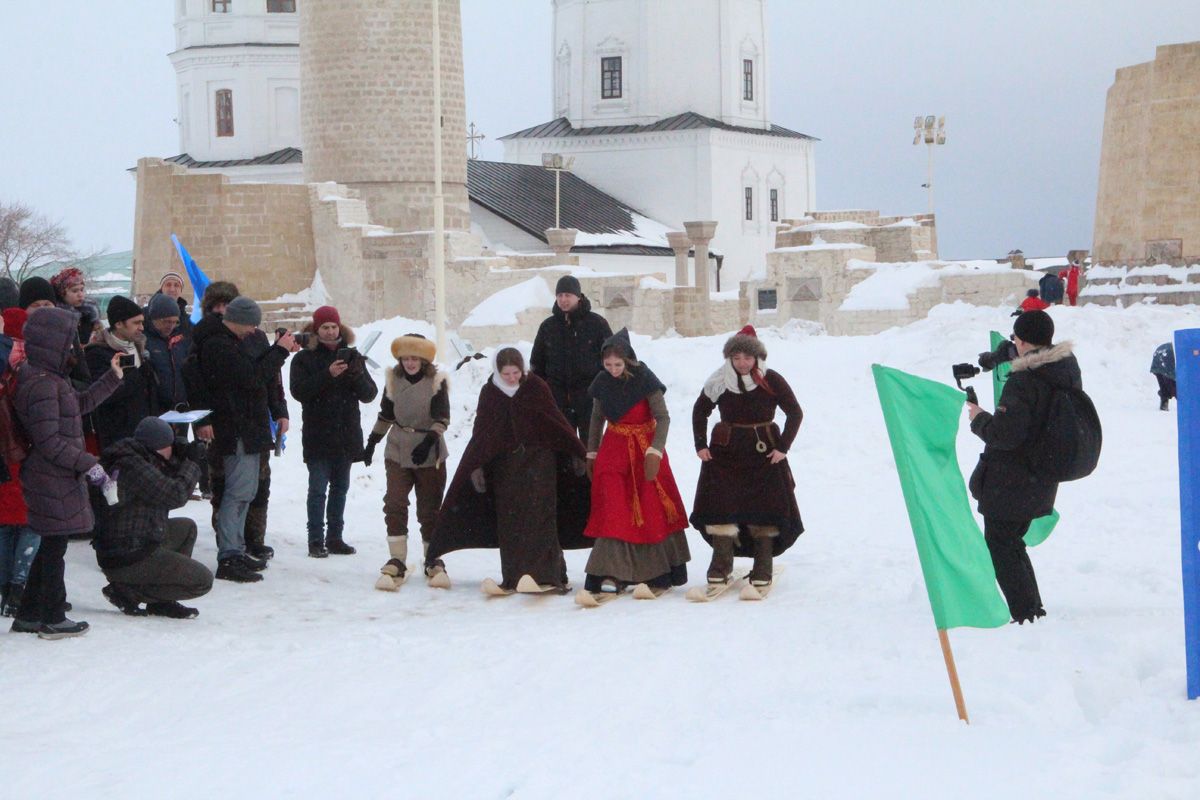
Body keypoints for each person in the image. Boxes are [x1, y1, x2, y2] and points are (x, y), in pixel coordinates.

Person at [425, 348, 590, 593]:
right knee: (510, 519)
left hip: (540, 462)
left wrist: (576, 451)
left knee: (541, 518)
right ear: (497, 371)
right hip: (506, 466)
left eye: (515, 372)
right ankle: (515, 576)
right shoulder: (491, 393)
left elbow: (555, 421)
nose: (512, 378)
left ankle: (549, 575)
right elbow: (482, 431)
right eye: (506, 373)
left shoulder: (536, 387)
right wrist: (477, 466)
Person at [10, 307, 122, 638]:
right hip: (49, 476)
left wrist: (111, 378)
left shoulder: (49, 378)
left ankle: (31, 614)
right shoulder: (42, 383)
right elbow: (48, 441)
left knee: (50, 546)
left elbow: (79, 405)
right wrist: (89, 464)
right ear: (54, 343)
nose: (74, 347)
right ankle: (52, 616)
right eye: (69, 340)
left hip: (55, 476)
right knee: (53, 549)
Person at [965, 309, 1081, 624]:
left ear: (1022, 341)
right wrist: (995, 356)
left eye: (1016, 338)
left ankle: (1025, 613)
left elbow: (1005, 435)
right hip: (1040, 476)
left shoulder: (1024, 381)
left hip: (1011, 480)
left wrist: (978, 418)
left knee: (1001, 545)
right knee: (1011, 542)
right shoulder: (1063, 368)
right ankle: (1031, 609)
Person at [690, 325, 804, 589]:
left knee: (765, 511)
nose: (742, 363)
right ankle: (720, 568)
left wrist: (783, 447)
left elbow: (795, 413)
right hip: (725, 455)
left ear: (757, 358)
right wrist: (700, 444)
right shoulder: (719, 380)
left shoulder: (771, 379)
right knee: (722, 509)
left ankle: (762, 569)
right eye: (736, 357)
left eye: (747, 357)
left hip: (764, 455)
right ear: (729, 358)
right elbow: (700, 411)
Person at [193, 296, 296, 583]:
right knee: (236, 494)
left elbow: (254, 373)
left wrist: (274, 351)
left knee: (245, 493)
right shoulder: (218, 345)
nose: (253, 331)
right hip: (236, 429)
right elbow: (251, 378)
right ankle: (229, 556)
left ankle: (236, 551)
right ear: (237, 320)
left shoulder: (231, 343)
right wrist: (280, 352)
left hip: (247, 429)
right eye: (251, 325)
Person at [579, 328, 689, 598]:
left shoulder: (645, 379)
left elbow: (662, 418)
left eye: (618, 364)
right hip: (614, 449)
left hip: (644, 450)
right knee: (614, 508)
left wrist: (655, 451)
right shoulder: (602, 382)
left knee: (648, 509)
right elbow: (596, 420)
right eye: (608, 365)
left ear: (628, 360)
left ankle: (653, 572)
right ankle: (610, 572)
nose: (613, 370)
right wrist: (591, 452)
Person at [92, 417, 213, 619]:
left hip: (132, 541)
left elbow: (162, 474)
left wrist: (181, 457)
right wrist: (191, 463)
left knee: (186, 528)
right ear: (159, 447)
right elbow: (175, 494)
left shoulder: (138, 456)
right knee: (202, 581)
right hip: (126, 555)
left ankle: (160, 601)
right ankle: (128, 592)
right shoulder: (131, 465)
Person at [289, 305, 378, 558]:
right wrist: (327, 375)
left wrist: (355, 375)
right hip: (318, 435)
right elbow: (299, 392)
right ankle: (315, 539)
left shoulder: (353, 356)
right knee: (317, 489)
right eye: (325, 327)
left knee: (340, 488)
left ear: (340, 328)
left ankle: (335, 537)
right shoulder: (304, 358)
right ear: (316, 329)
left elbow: (369, 394)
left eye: (333, 327)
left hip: (346, 434)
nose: (329, 332)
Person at [363, 333, 449, 587]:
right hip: (398, 448)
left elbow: (442, 418)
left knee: (429, 508)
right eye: (406, 358)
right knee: (395, 502)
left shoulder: (436, 381)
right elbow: (386, 414)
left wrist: (429, 441)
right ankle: (397, 559)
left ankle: (433, 558)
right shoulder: (393, 380)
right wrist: (372, 442)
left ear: (424, 360)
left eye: (415, 358)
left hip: (428, 450)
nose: (410, 363)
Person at [530, 275, 613, 440]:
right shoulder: (548, 327)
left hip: (589, 399)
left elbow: (611, 359)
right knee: (562, 446)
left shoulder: (597, 324)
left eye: (568, 295)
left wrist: (603, 390)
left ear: (578, 296)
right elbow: (537, 364)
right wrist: (543, 392)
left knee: (590, 447)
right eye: (560, 295)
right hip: (557, 400)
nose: (563, 300)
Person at [0, 307, 38, 617]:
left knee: (5, 523)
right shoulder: (27, 365)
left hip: (5, 450)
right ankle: (19, 587)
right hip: (21, 448)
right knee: (28, 521)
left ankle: (5, 587)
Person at [84, 295, 159, 451]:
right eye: (136, 323)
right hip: (118, 436)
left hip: (145, 432)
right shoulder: (98, 353)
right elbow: (103, 395)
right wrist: (138, 375)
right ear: (118, 324)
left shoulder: (140, 347)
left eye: (142, 322)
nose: (141, 328)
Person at [50, 267, 103, 346]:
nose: (80, 295)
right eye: (74, 291)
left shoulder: (90, 312)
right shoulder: (56, 316)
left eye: (81, 290)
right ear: (62, 293)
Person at [1151, 342, 1176, 412]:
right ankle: (1187, 407)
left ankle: (1164, 404)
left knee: (1164, 386)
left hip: (1158, 354)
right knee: (1174, 388)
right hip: (1167, 357)